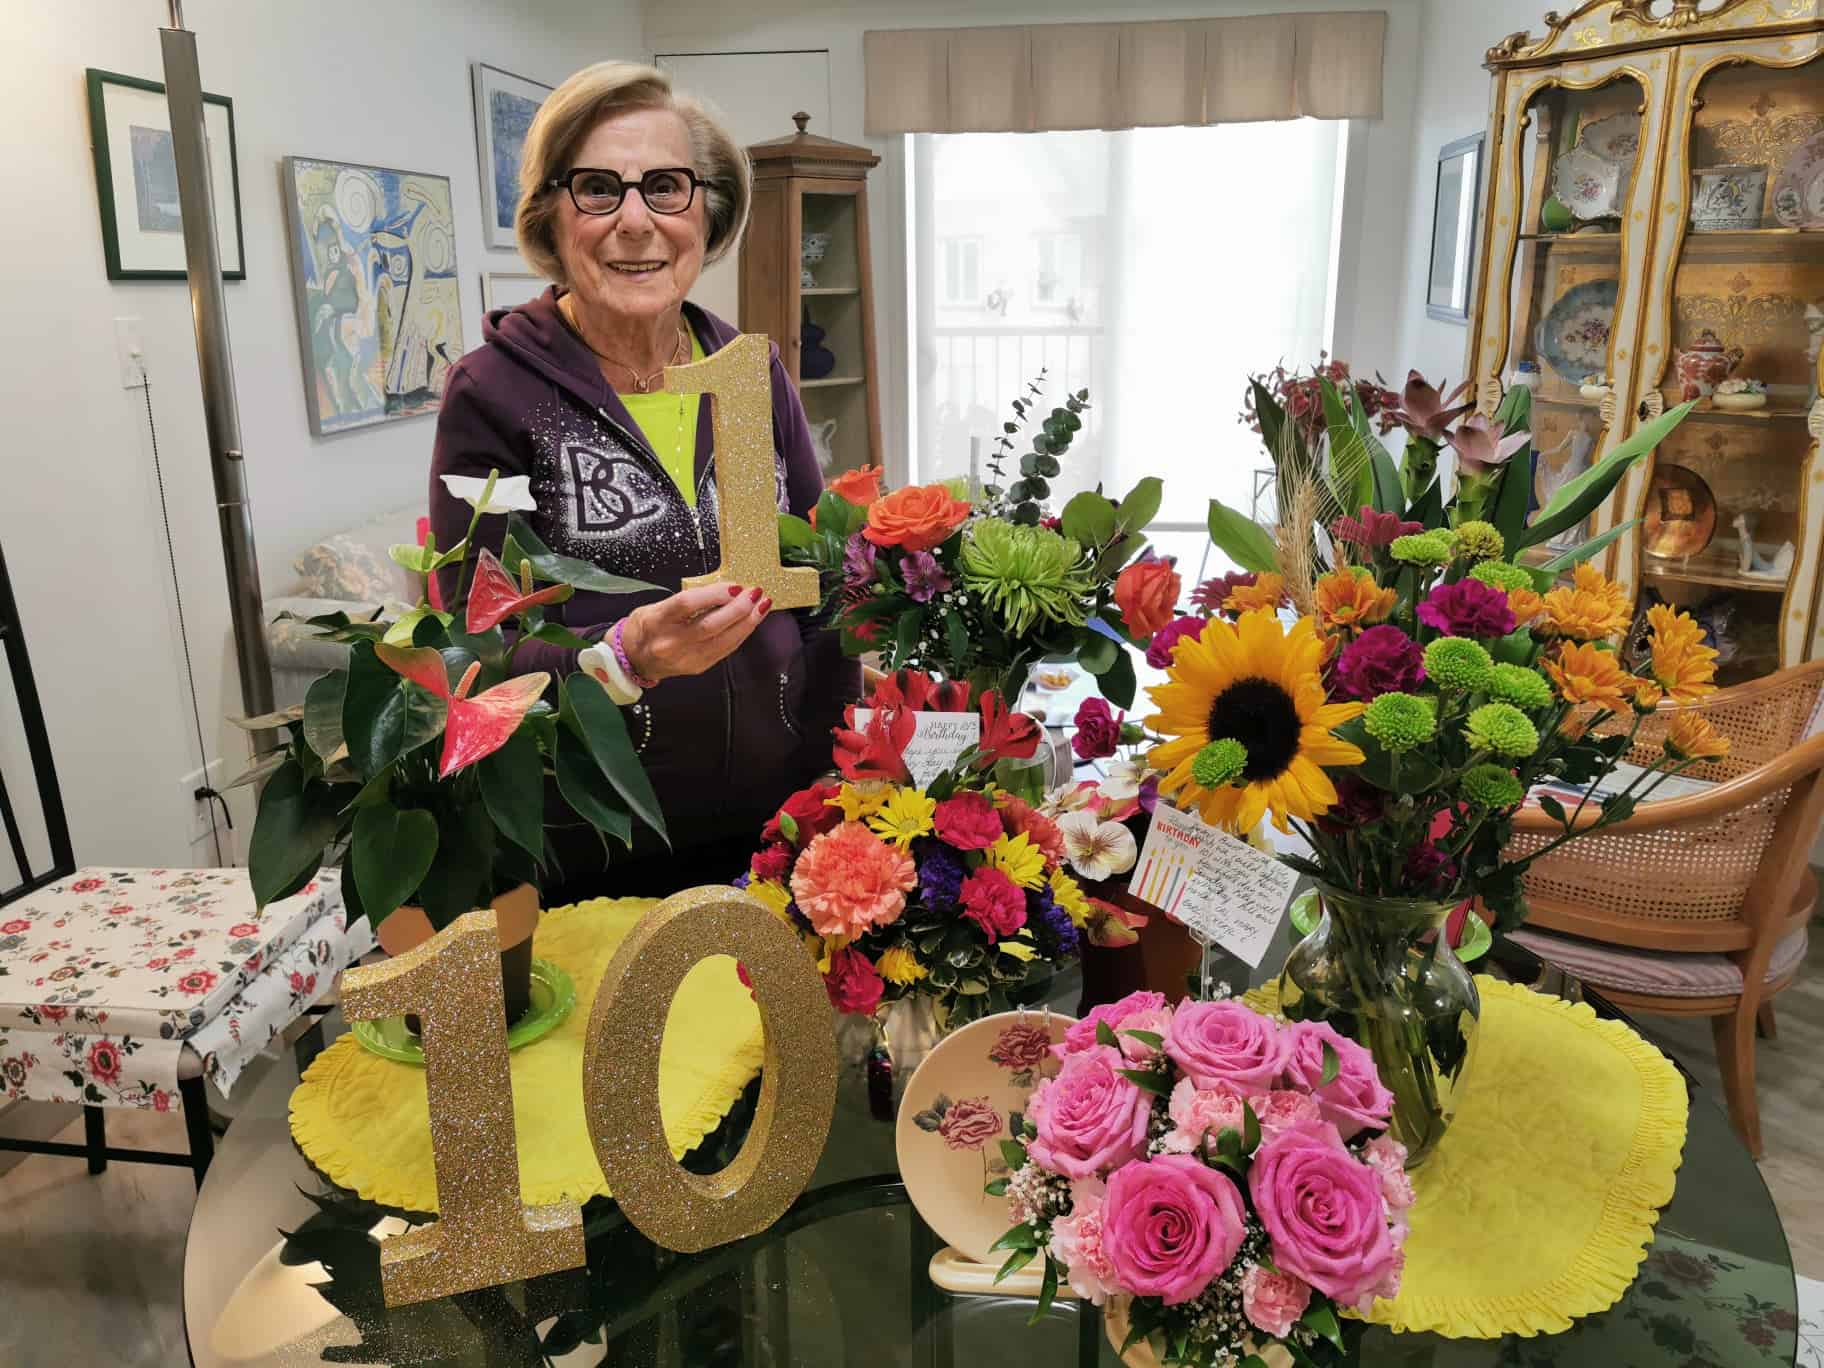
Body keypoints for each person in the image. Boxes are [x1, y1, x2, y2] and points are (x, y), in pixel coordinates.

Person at [429, 60, 857, 900]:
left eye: (665, 186)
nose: (636, 221)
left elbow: (823, 587)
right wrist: (621, 659)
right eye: (598, 189)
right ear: (551, 217)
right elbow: (472, 650)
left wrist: (831, 781)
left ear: (707, 212)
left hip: (778, 834)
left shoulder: (751, 371)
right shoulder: (492, 394)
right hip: (597, 847)